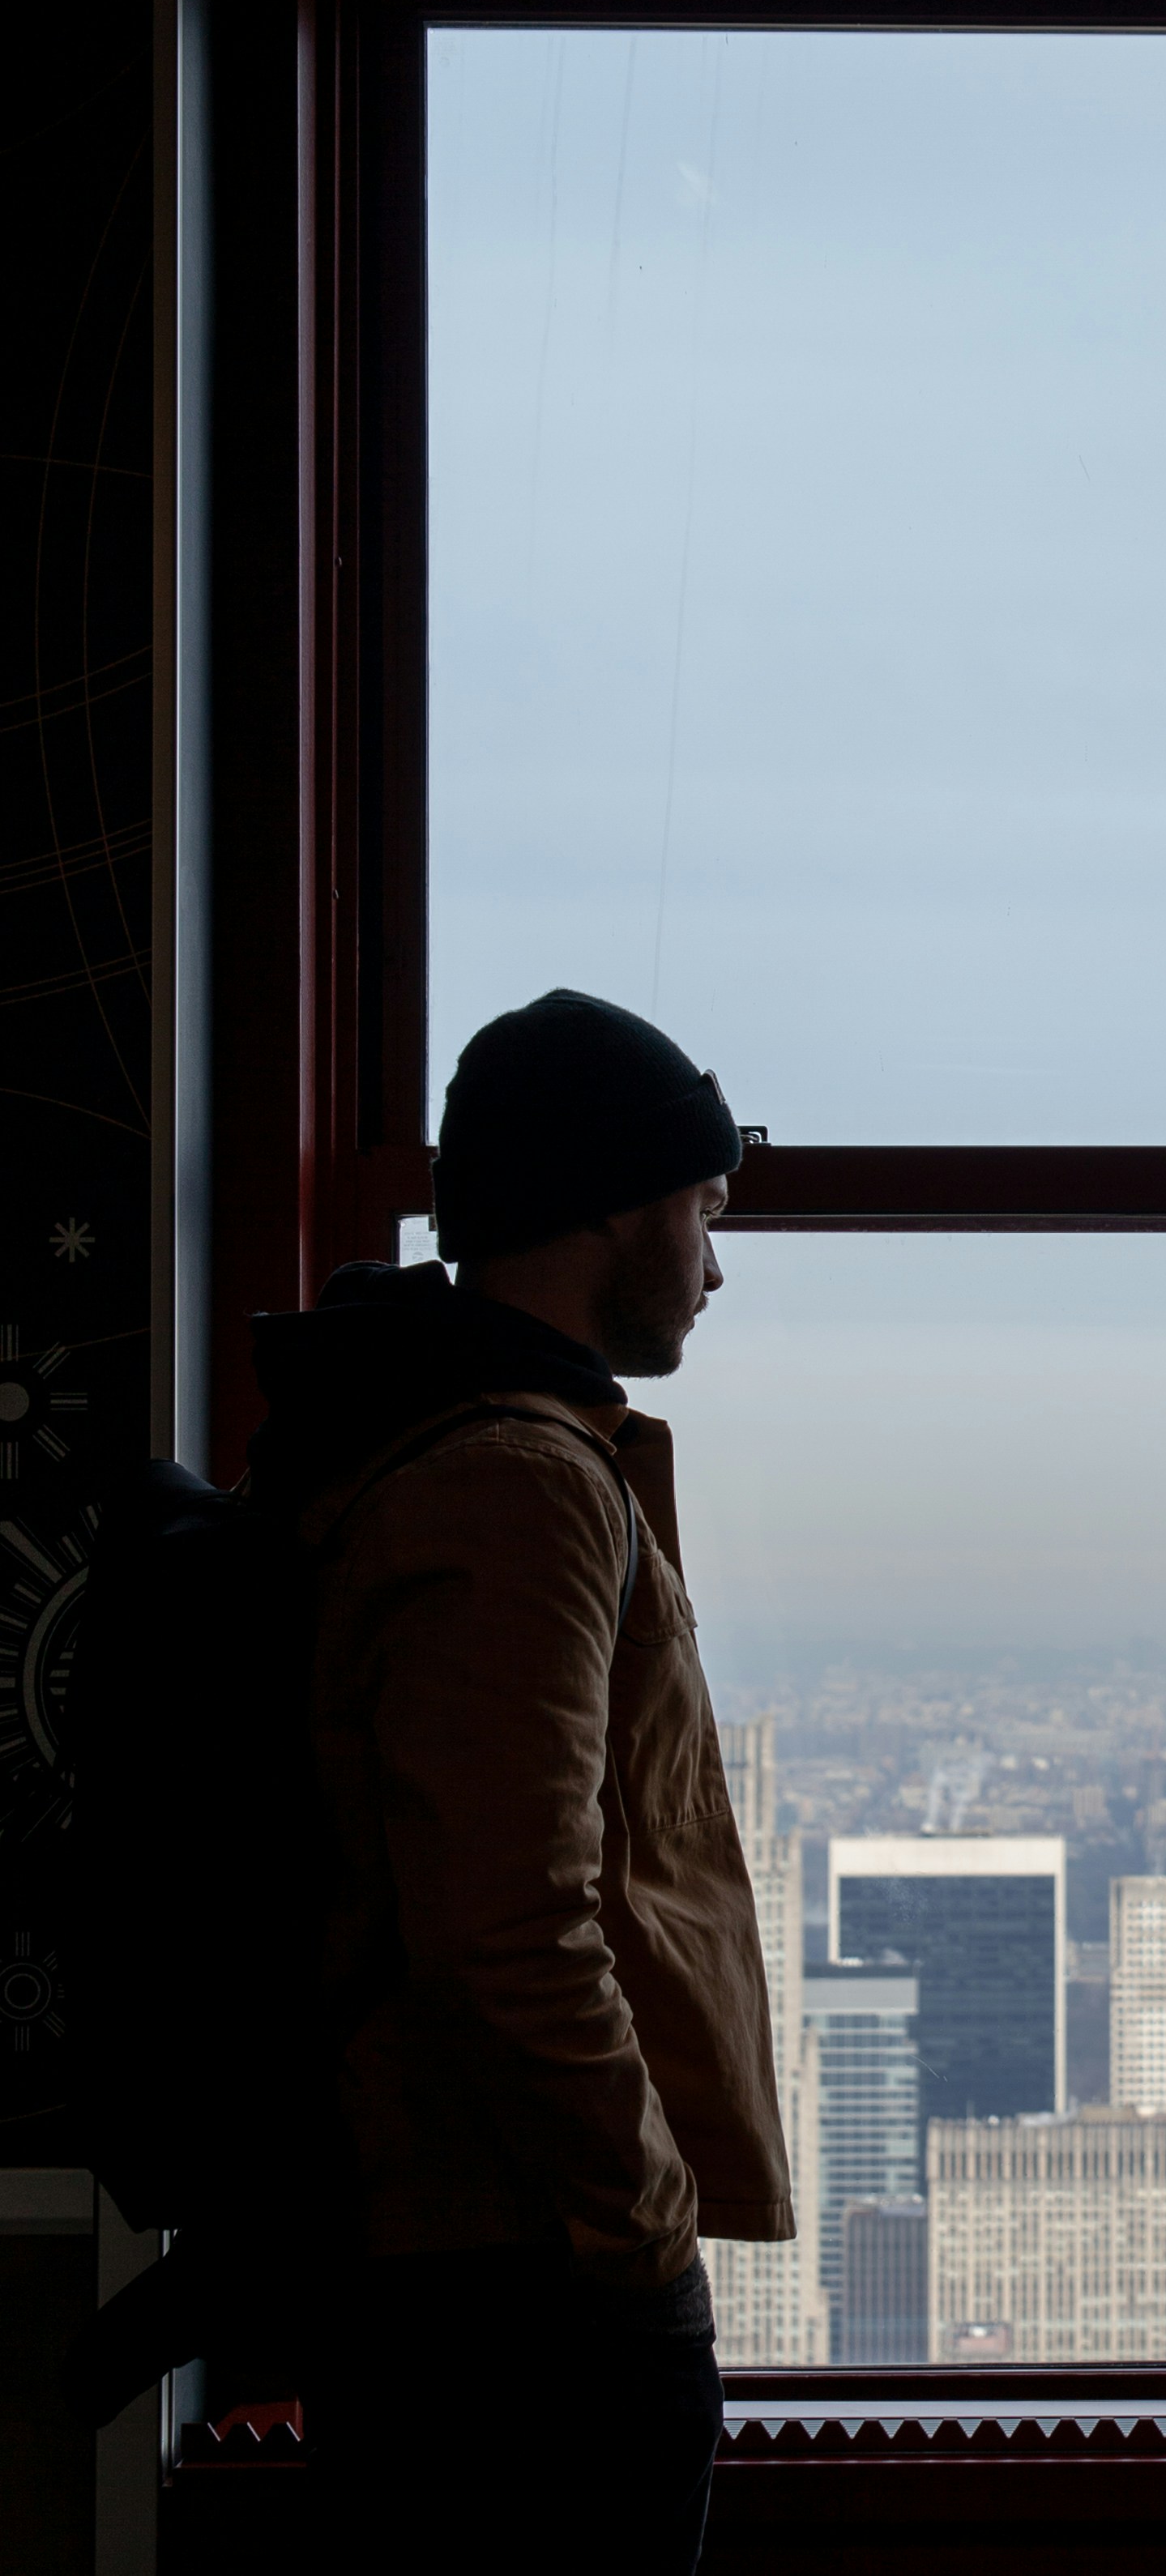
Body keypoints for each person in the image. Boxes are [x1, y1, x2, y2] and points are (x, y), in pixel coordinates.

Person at [253, 990, 788, 2574]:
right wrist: (634, 2228)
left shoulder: (426, 1437)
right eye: (701, 1209)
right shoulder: (517, 1477)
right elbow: (504, 1914)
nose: (712, 1262)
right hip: (512, 2271)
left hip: (460, 2255)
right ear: (615, 1202)